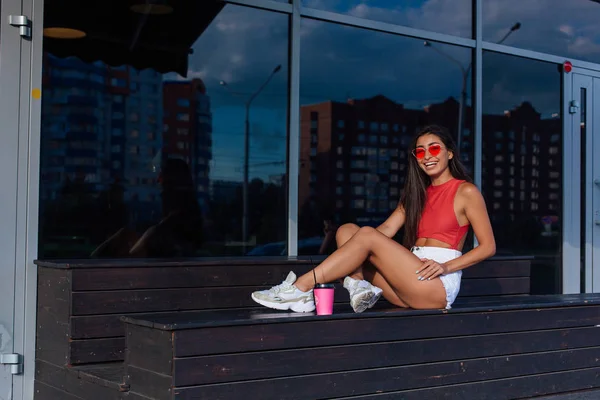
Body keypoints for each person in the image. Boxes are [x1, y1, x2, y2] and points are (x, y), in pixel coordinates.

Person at [251, 124, 496, 313]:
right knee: (347, 231)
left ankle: (300, 287)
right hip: (405, 282)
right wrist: (352, 247)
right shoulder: (415, 196)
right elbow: (386, 229)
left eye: (434, 148)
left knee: (365, 235)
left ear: (449, 153)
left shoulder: (466, 192)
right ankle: (358, 284)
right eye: (420, 151)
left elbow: (488, 247)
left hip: (434, 286)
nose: (426, 156)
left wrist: (445, 267)